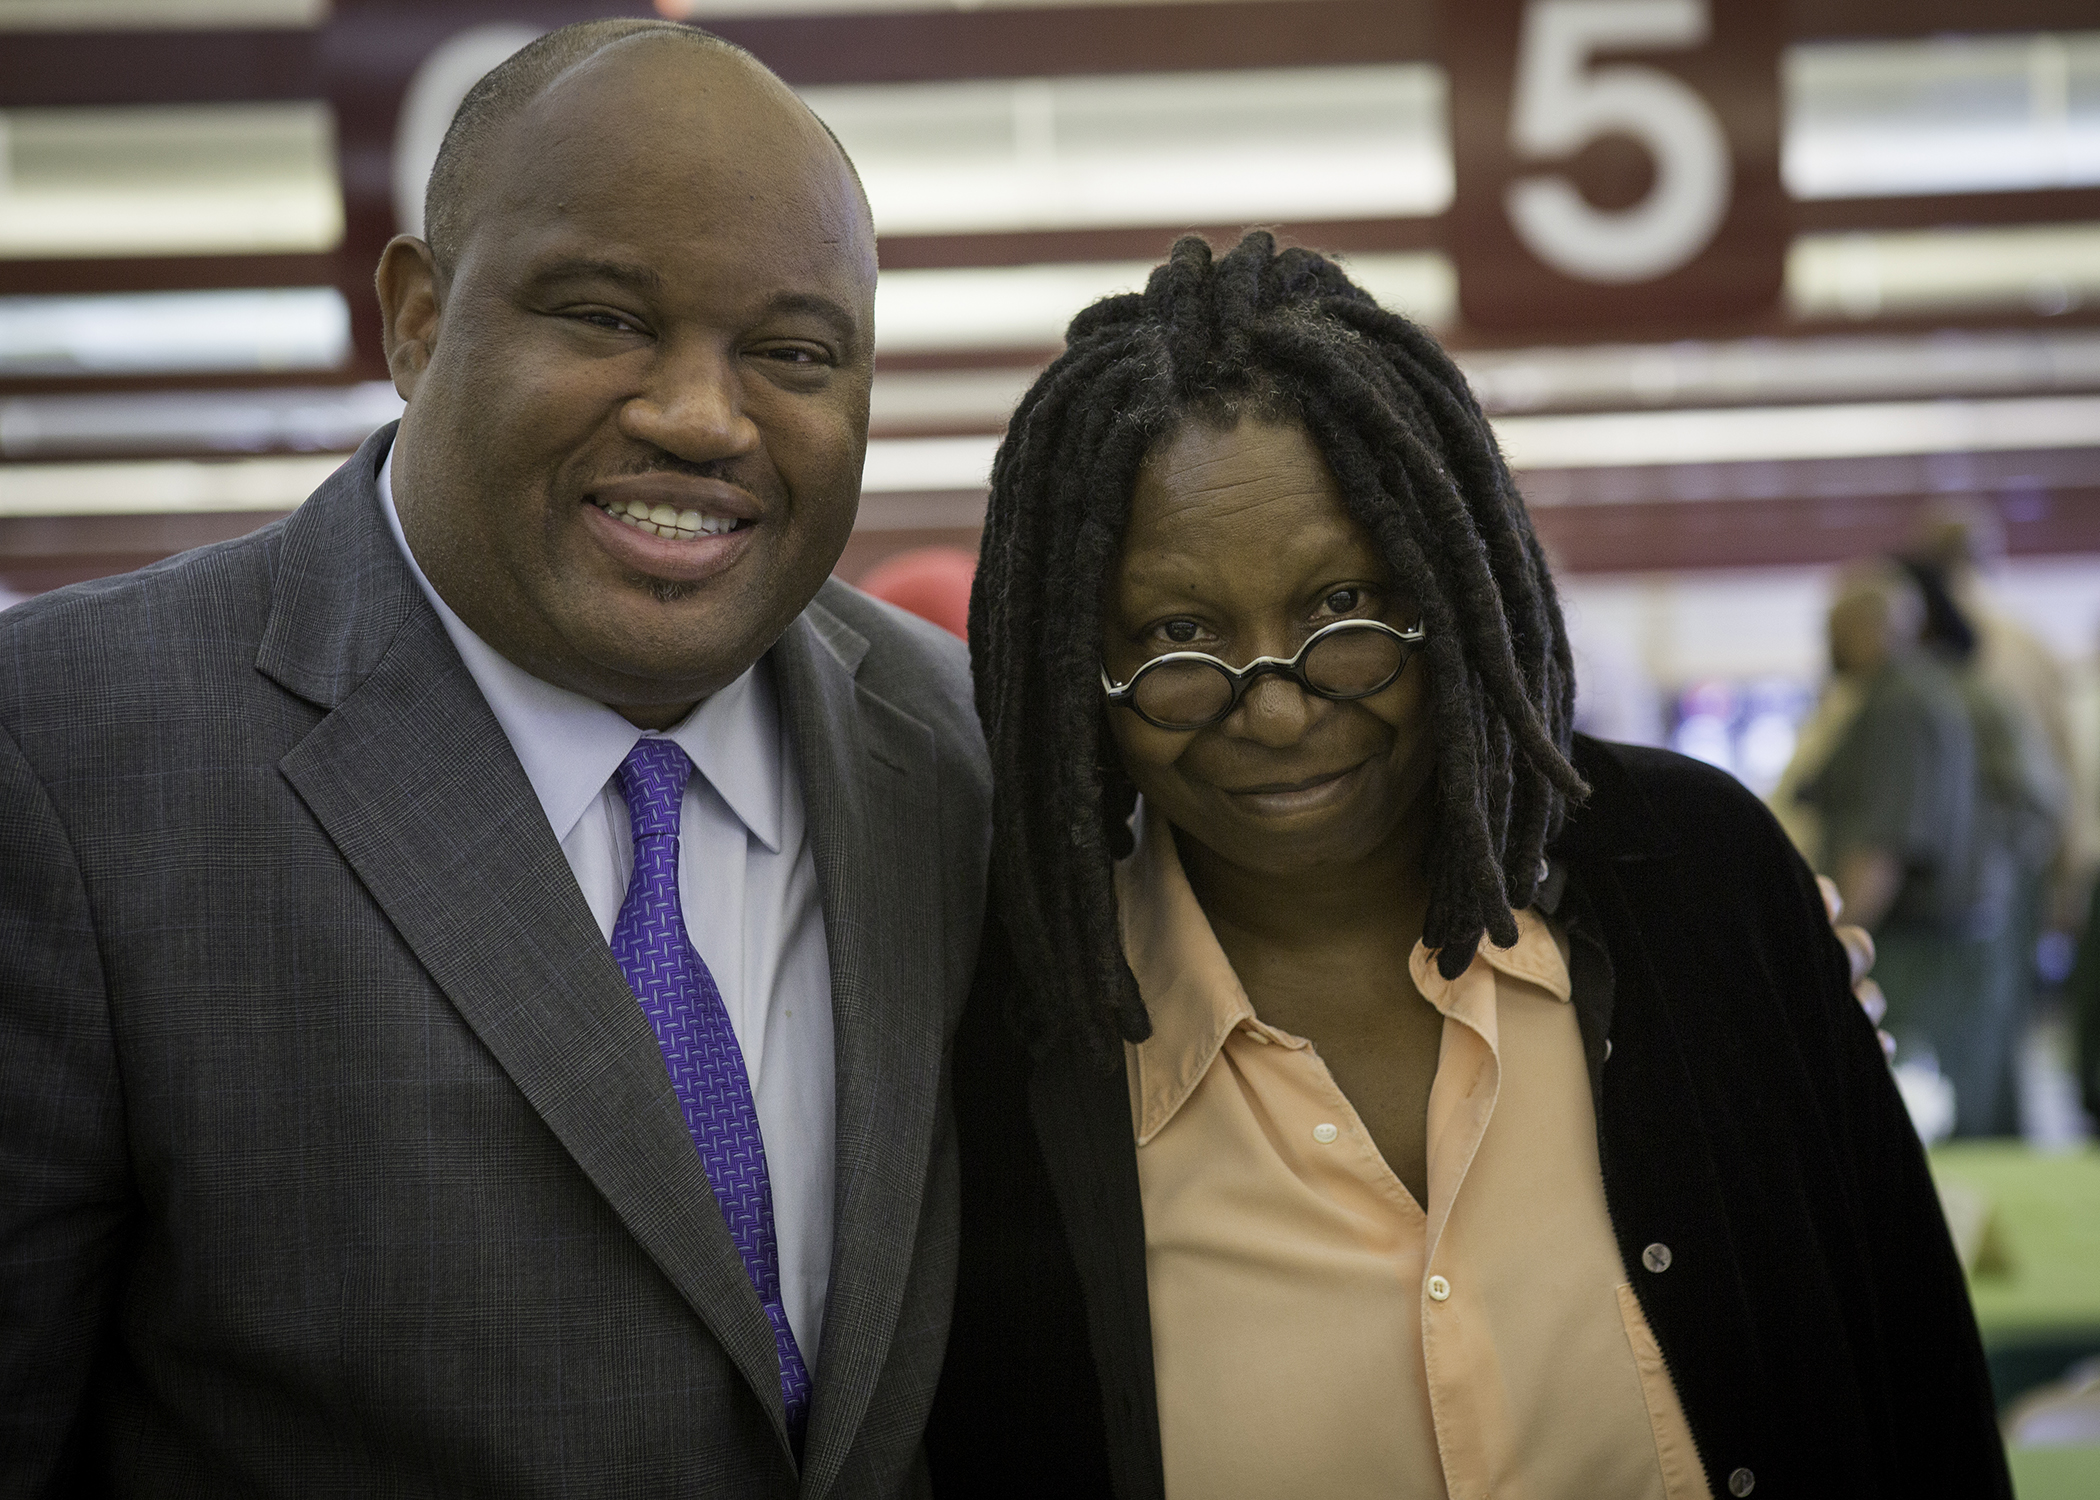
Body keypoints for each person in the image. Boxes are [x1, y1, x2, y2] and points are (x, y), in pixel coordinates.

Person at [0, 21, 988, 1495]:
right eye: (603, 317)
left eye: (791, 352)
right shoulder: (68, 753)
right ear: (416, 319)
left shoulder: (964, 748)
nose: (700, 416)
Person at [927, 234, 2008, 1498]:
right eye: (1179, 633)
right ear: (1078, 672)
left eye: (1345, 607)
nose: (1274, 711)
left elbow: (1916, 1390)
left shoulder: (1700, 887)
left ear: (1453, 587)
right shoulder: (1009, 1038)